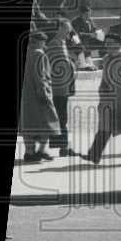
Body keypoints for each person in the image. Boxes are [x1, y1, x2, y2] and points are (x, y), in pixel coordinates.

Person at [83, 33, 121, 165]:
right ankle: (94, 155)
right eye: (106, 43)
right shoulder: (106, 59)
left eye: (110, 43)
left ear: (119, 44)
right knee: (105, 127)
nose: (107, 46)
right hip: (108, 100)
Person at [19, 31, 60, 163]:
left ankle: (29, 152)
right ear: (40, 42)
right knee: (48, 122)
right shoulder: (39, 54)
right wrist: (45, 95)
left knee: (28, 124)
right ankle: (41, 150)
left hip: (26, 96)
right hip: (39, 95)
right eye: (44, 41)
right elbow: (40, 77)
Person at [47, 18, 77, 157]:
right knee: (61, 117)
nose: (69, 32)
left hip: (64, 87)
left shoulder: (62, 43)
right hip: (58, 88)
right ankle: (63, 147)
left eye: (69, 30)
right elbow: (52, 66)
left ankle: (62, 147)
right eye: (66, 29)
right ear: (59, 29)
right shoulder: (54, 44)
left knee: (61, 117)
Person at [71, 4, 101, 71]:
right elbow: (76, 34)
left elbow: (94, 30)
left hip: (87, 42)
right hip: (76, 41)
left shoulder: (90, 21)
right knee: (77, 41)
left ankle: (89, 63)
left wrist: (97, 33)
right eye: (86, 14)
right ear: (81, 14)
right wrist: (89, 35)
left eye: (89, 14)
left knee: (101, 40)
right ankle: (82, 64)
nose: (88, 16)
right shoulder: (75, 21)